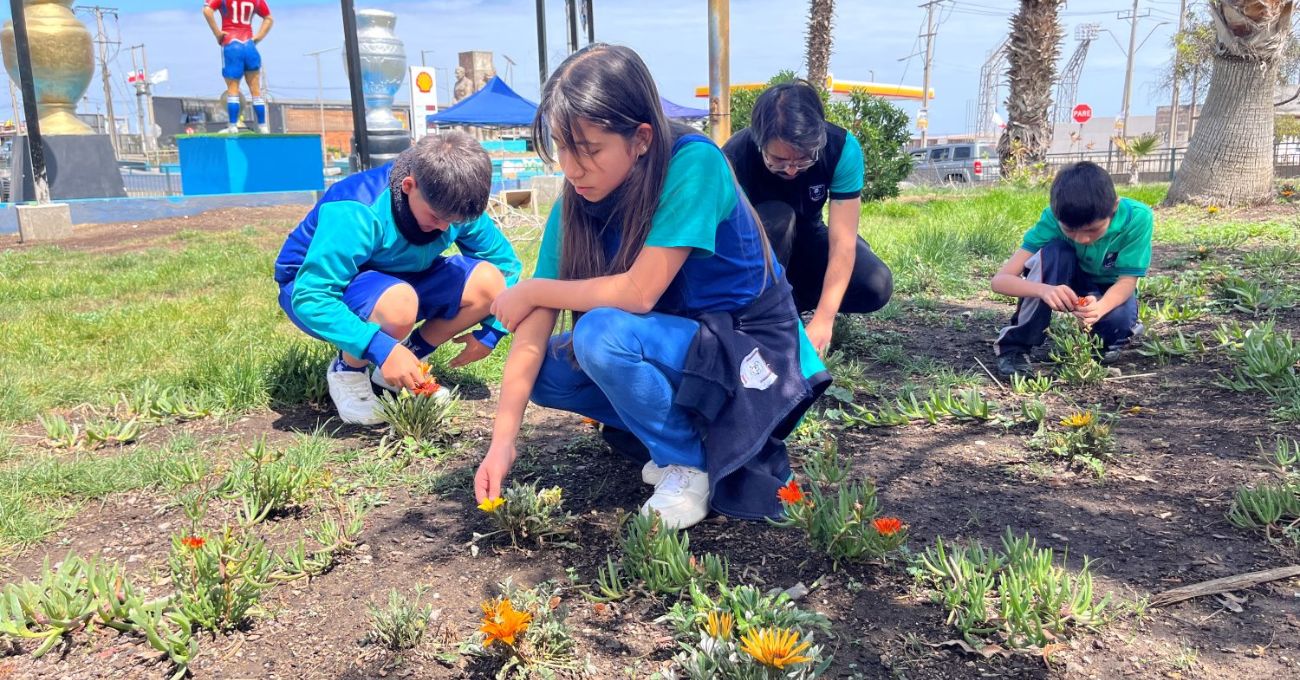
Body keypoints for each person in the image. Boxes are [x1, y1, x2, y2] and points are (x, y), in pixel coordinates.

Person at [473, 44, 830, 530]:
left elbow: (640, 293)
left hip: (747, 347)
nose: (571, 168)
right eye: (561, 147)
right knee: (542, 372)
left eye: (590, 149)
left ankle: (688, 464)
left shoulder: (693, 163)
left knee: (600, 335)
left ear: (641, 138)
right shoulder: (576, 200)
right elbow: (532, 334)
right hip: (682, 344)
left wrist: (534, 290)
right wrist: (502, 442)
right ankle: (685, 437)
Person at [274, 132, 521, 425]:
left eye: (455, 222)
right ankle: (348, 371)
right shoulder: (358, 210)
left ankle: (406, 363)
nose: (444, 229)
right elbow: (311, 295)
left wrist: (493, 332)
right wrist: (379, 347)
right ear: (408, 186)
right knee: (399, 303)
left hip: (398, 278)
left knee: (489, 283)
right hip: (314, 287)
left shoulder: (452, 202)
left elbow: (505, 266)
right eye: (436, 217)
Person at [722, 81, 893, 354]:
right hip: (758, 249)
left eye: (803, 160)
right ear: (759, 141)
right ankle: (769, 316)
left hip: (809, 237)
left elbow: (842, 243)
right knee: (780, 216)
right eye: (778, 160)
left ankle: (797, 305)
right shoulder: (735, 157)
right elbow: (729, 245)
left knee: (876, 284)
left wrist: (824, 319)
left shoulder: (841, 148)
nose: (791, 171)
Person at [991, 161, 1152, 376]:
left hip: (1108, 288)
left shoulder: (1137, 218)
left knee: (1117, 326)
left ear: (1114, 207)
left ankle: (1106, 338)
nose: (1082, 239)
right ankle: (1014, 347)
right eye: (1069, 230)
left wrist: (1100, 308)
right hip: (1063, 279)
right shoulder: (1052, 219)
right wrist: (1044, 290)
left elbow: (1127, 282)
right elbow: (1000, 280)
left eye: (1092, 230)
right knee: (1055, 252)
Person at [202, 0, 274, 133]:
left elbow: (207, 10)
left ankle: (233, 125)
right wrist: (258, 38)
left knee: (233, 89)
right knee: (256, 90)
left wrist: (217, 33)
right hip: (249, 44)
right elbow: (268, 18)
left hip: (231, 44)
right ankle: (263, 126)